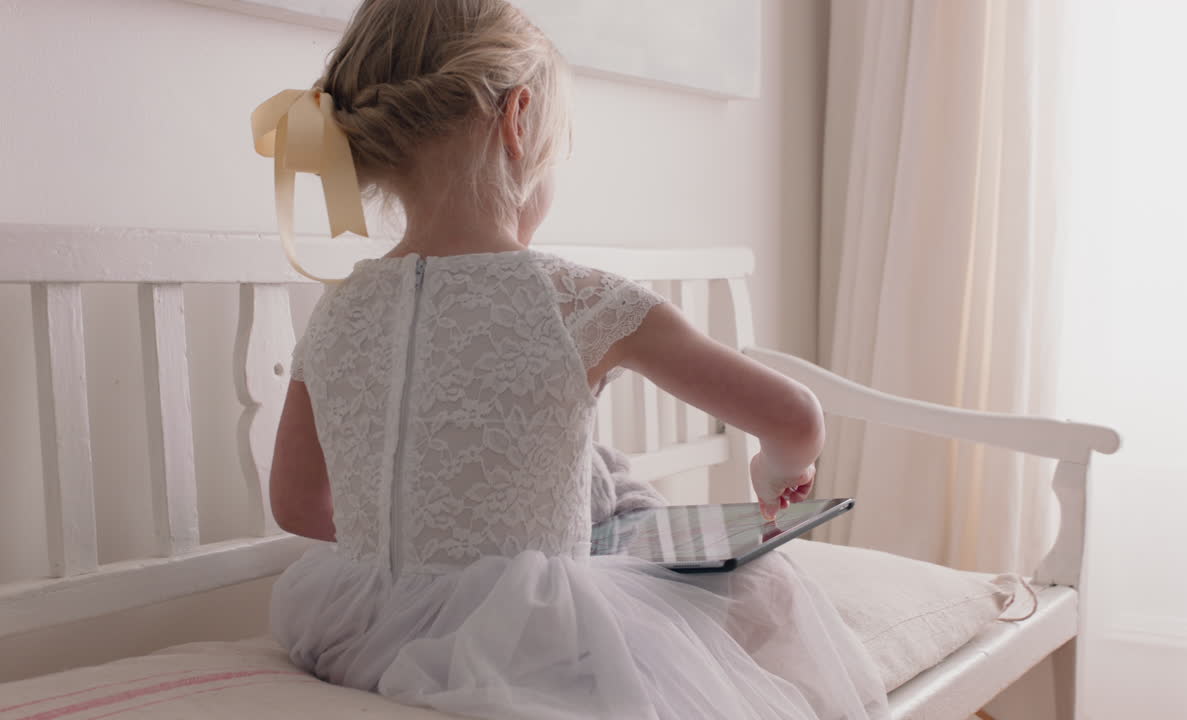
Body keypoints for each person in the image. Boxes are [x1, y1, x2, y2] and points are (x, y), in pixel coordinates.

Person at [258, 1, 887, 718]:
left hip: (361, 630)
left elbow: (297, 503)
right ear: (517, 120)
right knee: (766, 591)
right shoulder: (581, 301)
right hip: (538, 643)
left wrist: (421, 544)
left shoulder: (338, 310)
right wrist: (778, 471)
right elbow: (795, 417)